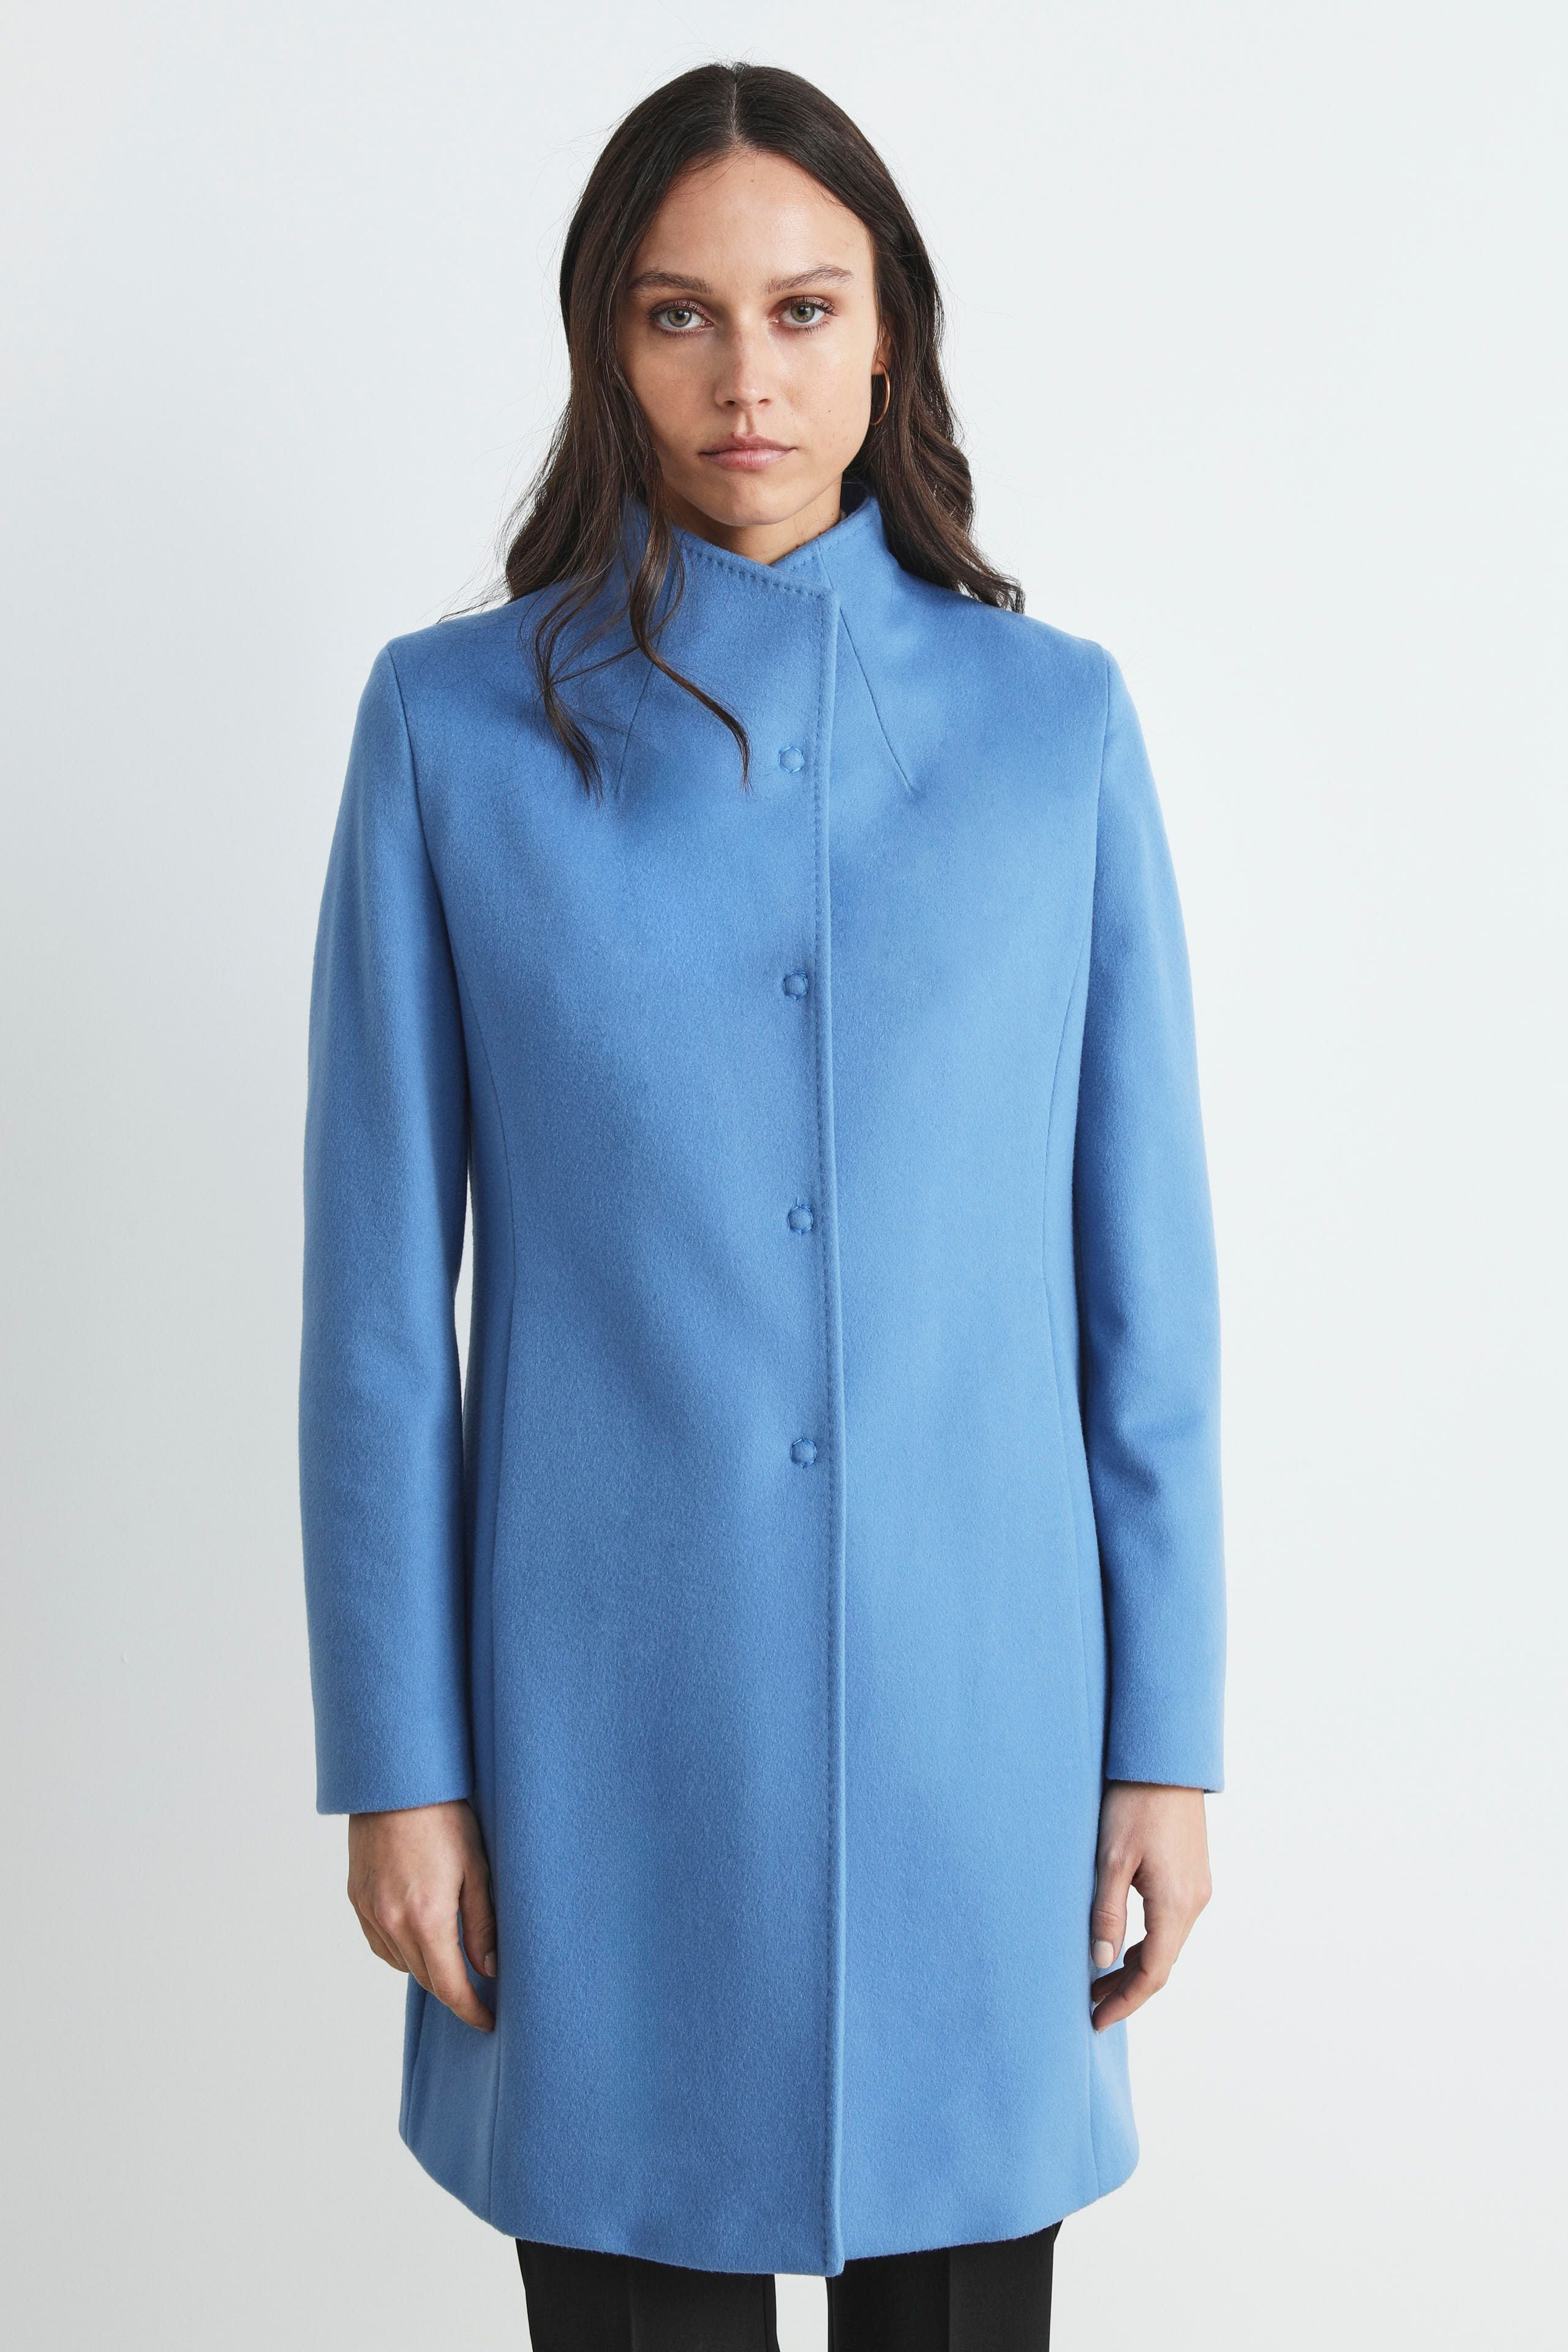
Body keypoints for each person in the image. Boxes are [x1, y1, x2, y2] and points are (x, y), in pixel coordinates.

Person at [299, 59, 1224, 2352]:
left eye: (805, 310)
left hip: (978, 1734)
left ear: (888, 335)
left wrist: (1165, 1737)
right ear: (605, 345)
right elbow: (376, 1318)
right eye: (681, 315)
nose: (748, 379)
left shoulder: (1057, 729)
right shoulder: (451, 734)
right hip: (596, 1745)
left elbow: (1147, 1297)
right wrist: (400, 1767)